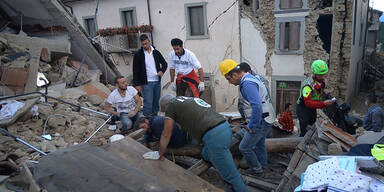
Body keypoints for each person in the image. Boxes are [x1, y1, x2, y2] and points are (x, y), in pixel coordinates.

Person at [142, 95, 248, 192]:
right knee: (206, 154)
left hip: (215, 136)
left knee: (230, 175)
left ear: (166, 106)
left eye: (165, 111)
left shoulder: (172, 105)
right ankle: (227, 170)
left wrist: (159, 153)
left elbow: (166, 134)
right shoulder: (187, 99)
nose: (166, 113)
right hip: (224, 127)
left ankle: (238, 184)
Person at [220, 59, 267, 176]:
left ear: (235, 74)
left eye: (228, 79)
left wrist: (252, 125)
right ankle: (264, 167)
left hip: (259, 120)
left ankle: (257, 170)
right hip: (264, 118)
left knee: (244, 147)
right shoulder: (250, 79)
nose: (229, 82)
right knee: (260, 144)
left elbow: (256, 105)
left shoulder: (247, 83)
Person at [296, 60, 334, 137]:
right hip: (303, 109)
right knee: (305, 129)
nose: (323, 77)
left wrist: (324, 93)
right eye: (320, 75)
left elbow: (318, 90)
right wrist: (323, 104)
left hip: (313, 107)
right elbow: (308, 103)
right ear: (315, 74)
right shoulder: (308, 86)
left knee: (313, 125)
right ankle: (302, 145)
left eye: (324, 74)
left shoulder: (321, 80)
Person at [133, 34, 167, 117]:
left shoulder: (156, 52)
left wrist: (161, 71)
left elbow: (164, 64)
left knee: (156, 102)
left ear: (149, 41)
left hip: (157, 81)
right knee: (148, 102)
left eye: (146, 43)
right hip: (146, 82)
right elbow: (135, 70)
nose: (145, 45)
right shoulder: (138, 54)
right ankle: (147, 121)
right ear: (141, 44)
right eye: (143, 44)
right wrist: (137, 84)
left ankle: (155, 120)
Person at [238, 62, 275, 138]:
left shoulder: (257, 81)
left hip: (260, 119)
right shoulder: (244, 81)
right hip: (252, 119)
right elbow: (241, 101)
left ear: (248, 72)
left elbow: (261, 102)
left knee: (248, 145)